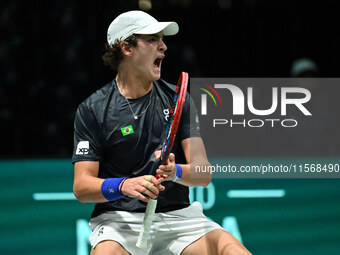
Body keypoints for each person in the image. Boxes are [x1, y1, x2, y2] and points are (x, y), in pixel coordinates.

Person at [72, 10, 251, 255]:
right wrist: (124, 185)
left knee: (231, 250)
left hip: (179, 220)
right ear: (126, 48)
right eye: (152, 39)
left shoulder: (178, 100)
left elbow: (204, 172)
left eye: (162, 39)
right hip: (119, 221)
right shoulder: (93, 110)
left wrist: (175, 171)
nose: (163, 47)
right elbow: (82, 187)